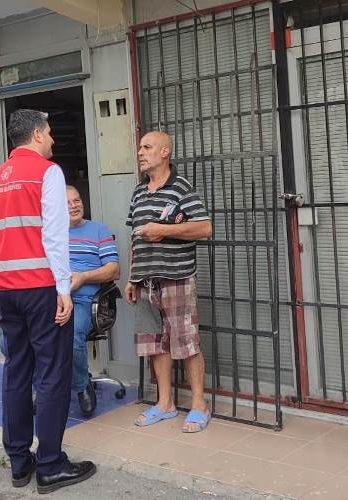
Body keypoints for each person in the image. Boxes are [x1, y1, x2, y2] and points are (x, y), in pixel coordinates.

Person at [0, 109, 96, 494]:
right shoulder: (47, 173)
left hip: (7, 290)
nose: (52, 140)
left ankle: (19, 463)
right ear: (34, 134)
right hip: (40, 289)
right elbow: (54, 234)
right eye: (48, 133)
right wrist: (63, 289)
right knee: (51, 374)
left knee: (16, 372)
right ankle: (50, 465)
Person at [124, 131, 213, 433]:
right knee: (155, 344)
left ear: (165, 152)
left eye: (147, 147)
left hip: (177, 278)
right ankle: (165, 404)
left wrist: (163, 230)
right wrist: (131, 277)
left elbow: (204, 228)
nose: (140, 152)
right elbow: (133, 236)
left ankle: (199, 404)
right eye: (139, 148)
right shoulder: (138, 192)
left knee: (186, 342)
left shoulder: (181, 188)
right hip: (145, 280)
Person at [67, 185, 120, 417]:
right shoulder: (50, 234)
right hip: (54, 298)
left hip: (86, 301)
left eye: (77, 200)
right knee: (34, 334)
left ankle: (81, 386)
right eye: (67, 203)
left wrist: (83, 277)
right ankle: (42, 388)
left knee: (71, 337)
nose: (74, 205)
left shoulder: (99, 231)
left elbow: (114, 270)